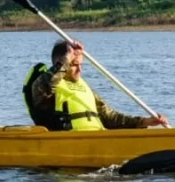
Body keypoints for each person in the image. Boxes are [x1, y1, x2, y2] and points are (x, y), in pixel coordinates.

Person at [25, 40, 166, 130]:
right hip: (68, 141)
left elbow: (110, 117)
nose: (79, 69)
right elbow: (49, 83)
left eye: (81, 64)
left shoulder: (85, 88)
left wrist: (144, 121)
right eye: (74, 65)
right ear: (61, 62)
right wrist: (67, 57)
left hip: (96, 138)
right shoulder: (42, 84)